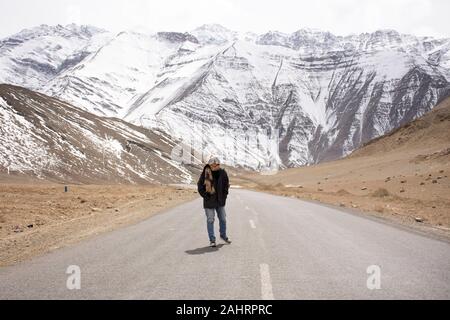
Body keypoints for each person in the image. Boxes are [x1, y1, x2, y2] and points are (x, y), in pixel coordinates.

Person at [197, 157, 231, 247]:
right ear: (210, 165)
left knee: (223, 219)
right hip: (209, 202)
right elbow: (200, 186)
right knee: (210, 220)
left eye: (216, 165)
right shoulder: (205, 173)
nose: (214, 166)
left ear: (219, 165)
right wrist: (205, 195)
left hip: (220, 201)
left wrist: (224, 196)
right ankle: (212, 240)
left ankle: (223, 236)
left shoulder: (223, 173)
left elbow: (226, 185)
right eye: (212, 165)